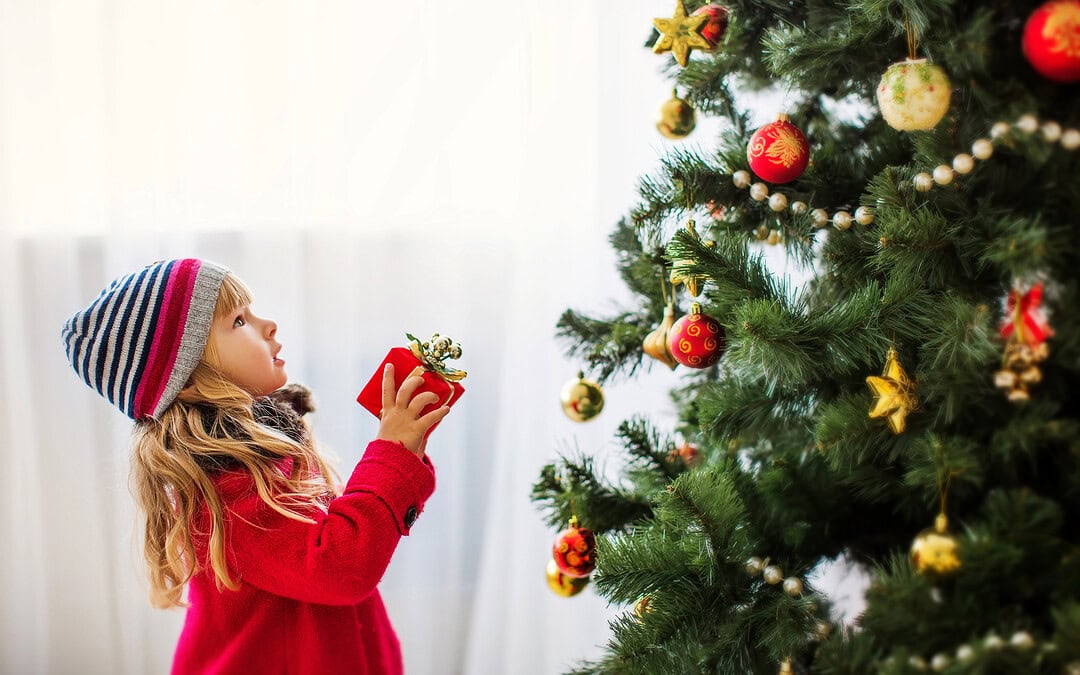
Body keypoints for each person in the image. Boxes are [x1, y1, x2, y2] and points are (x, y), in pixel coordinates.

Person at [61, 258, 450, 675]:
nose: (269, 324)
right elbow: (339, 567)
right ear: (190, 379)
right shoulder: (225, 486)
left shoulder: (261, 453)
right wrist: (390, 454)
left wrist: (401, 452)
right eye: (239, 321)